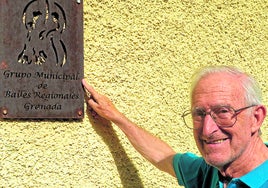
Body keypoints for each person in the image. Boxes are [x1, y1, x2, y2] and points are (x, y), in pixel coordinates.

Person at [82, 65, 268, 188]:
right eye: (199, 114)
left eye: (223, 112)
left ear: (256, 118)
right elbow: (163, 157)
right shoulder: (209, 172)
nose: (207, 130)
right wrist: (116, 117)